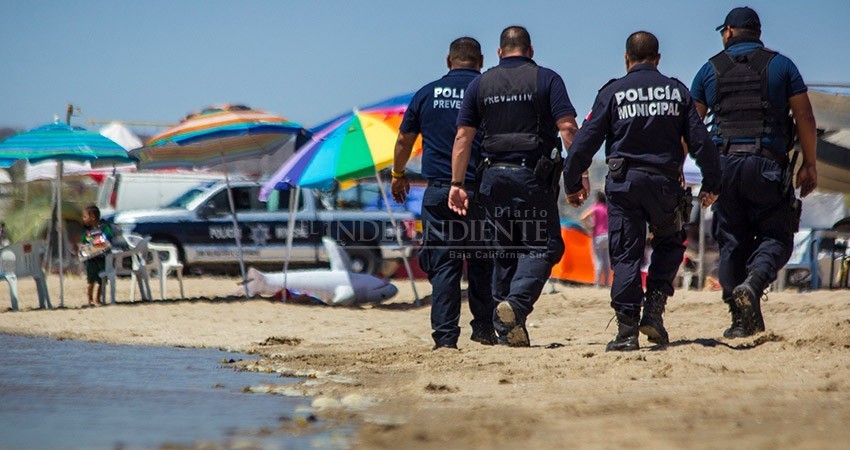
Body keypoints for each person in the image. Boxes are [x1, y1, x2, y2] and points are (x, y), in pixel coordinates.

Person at [563, 31, 721, 351]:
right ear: (658, 58)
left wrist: (571, 182)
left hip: (624, 185)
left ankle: (625, 332)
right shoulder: (677, 92)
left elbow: (584, 142)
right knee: (670, 243)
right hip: (665, 184)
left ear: (626, 58)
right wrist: (713, 183)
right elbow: (701, 142)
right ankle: (653, 311)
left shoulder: (613, 92)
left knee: (626, 255)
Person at [448, 26, 579, 347]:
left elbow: (463, 137)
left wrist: (456, 183)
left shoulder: (481, 82)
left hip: (491, 179)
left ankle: (508, 331)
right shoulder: (547, 78)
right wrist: (577, 176)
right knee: (543, 247)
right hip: (531, 177)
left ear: (498, 52)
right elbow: (568, 128)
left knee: (504, 253)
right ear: (530, 51)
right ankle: (516, 305)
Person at [691, 7, 817, 338]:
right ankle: (754, 283)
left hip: (725, 166)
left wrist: (687, 169)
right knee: (777, 235)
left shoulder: (710, 68)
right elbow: (804, 117)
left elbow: (689, 126)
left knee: (732, 240)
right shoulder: (782, 65)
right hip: (767, 165)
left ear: (729, 32)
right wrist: (810, 165)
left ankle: (738, 318)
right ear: (757, 33)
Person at [391, 37, 495, 350]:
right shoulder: (489, 90)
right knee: (482, 261)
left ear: (448, 61)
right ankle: (485, 329)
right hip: (480, 189)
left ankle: (446, 339)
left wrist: (398, 175)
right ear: (481, 61)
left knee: (444, 265)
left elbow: (404, 141)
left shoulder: (426, 93)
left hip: (438, 191)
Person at [80, 205, 114, 306]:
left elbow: (109, 238)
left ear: (93, 217)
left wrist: (102, 242)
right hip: (91, 259)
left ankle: (98, 299)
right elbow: (82, 242)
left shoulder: (103, 228)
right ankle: (89, 300)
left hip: (102, 258)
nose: (84, 219)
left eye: (85, 217)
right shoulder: (87, 232)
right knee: (90, 280)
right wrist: (83, 248)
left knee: (101, 280)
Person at [581, 192, 611, 287]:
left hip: (598, 235)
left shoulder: (596, 207)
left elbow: (583, 217)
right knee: (606, 260)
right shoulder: (607, 208)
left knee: (598, 260)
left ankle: (597, 283)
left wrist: (589, 227)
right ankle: (606, 282)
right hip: (608, 236)